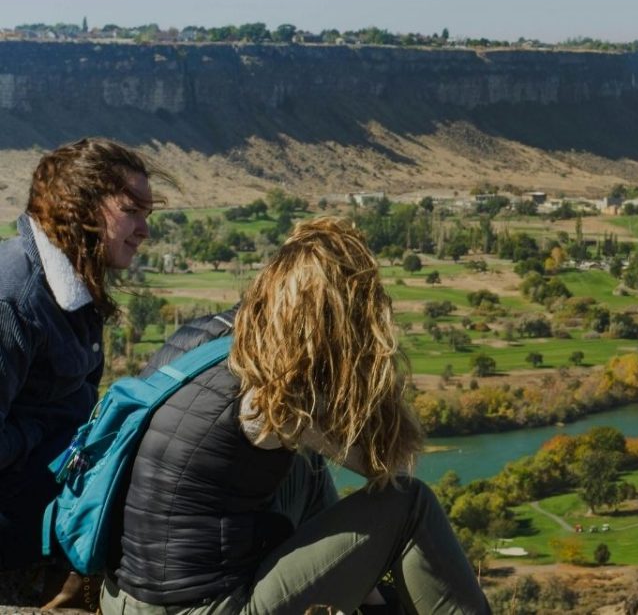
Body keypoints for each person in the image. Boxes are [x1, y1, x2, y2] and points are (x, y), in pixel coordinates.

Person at [102, 217, 491, 614]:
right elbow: (389, 462)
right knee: (410, 503)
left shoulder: (200, 336)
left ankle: (371, 603)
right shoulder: (275, 388)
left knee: (307, 469)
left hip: (121, 597)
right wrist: (361, 363)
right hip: (198, 609)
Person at [0, 138, 157, 592]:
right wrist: (46, 433)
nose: (144, 230)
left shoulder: (69, 286)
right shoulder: (15, 299)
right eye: (132, 211)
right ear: (81, 208)